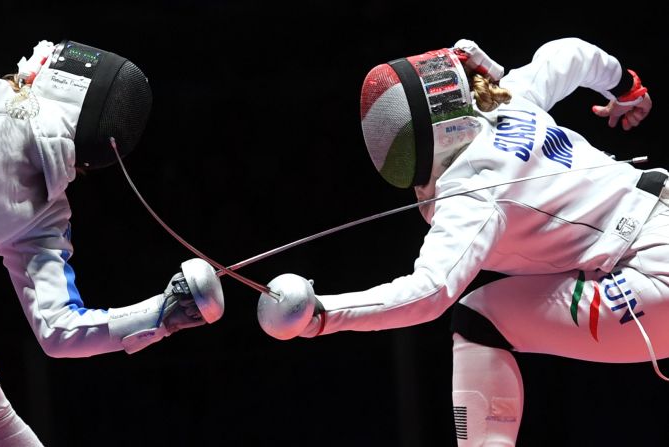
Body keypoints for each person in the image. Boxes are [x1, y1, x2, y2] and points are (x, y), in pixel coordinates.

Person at [258, 37, 666, 446]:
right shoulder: (510, 100)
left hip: (652, 276)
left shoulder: (471, 192)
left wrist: (322, 315)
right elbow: (569, 54)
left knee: (480, 321)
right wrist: (625, 86)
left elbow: (429, 293)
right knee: (483, 317)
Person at [0, 40, 224, 446]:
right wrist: (159, 314)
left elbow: (59, 330)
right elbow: (61, 332)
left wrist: (162, 313)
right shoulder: (45, 215)